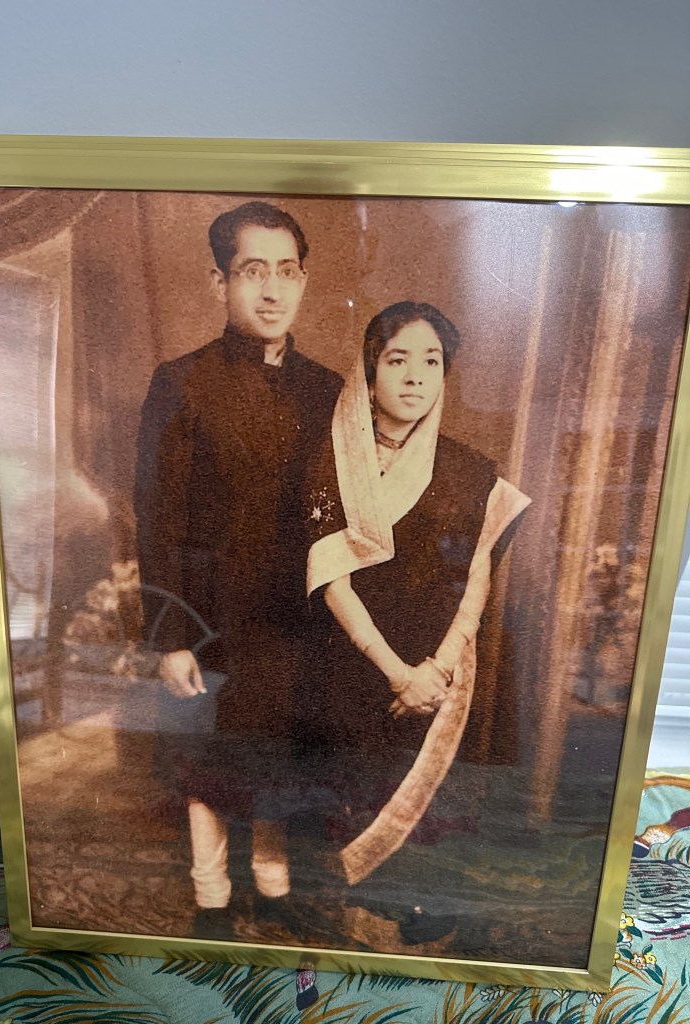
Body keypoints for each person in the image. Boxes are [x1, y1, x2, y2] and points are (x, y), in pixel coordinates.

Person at [133, 201, 342, 940]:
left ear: (304, 281)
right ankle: (213, 895)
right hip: (211, 616)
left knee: (277, 754)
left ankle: (274, 886)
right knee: (208, 762)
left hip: (294, 619)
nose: (272, 290)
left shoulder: (329, 390)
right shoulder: (181, 382)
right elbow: (157, 517)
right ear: (219, 281)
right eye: (253, 272)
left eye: (287, 272)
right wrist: (171, 637)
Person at [304, 300, 530, 946]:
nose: (414, 377)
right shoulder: (331, 458)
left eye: (431, 362)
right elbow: (331, 578)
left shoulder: (469, 468)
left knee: (433, 804)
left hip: (440, 665)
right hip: (359, 659)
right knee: (359, 791)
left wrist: (437, 667)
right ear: (369, 370)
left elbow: (477, 578)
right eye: (397, 360)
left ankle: (421, 930)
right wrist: (395, 672)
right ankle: (361, 931)